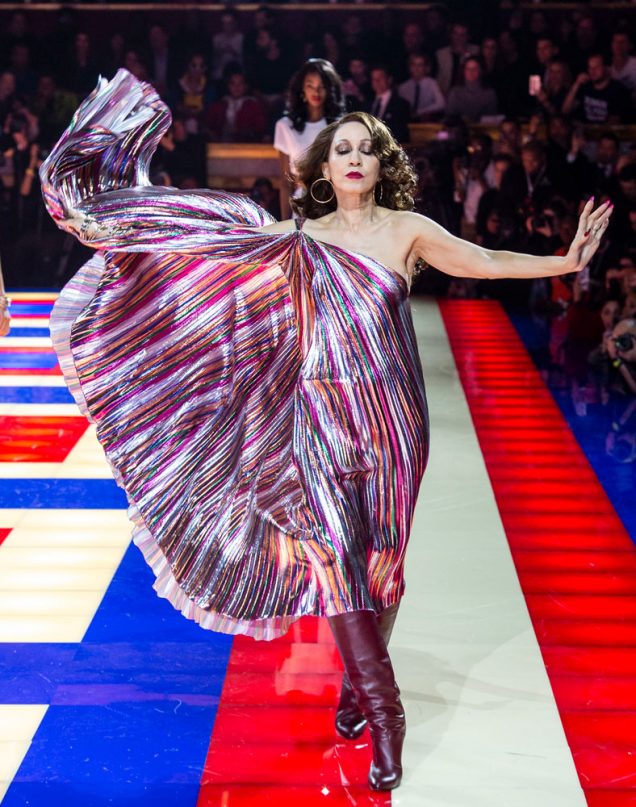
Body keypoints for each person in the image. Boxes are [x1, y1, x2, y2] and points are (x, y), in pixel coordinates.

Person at [38, 70, 612, 793]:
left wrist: (566, 260)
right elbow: (215, 248)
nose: (352, 158)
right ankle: (387, 711)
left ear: (380, 165)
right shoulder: (300, 239)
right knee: (335, 554)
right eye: (341, 147)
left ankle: (357, 686)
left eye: (365, 149)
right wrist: (123, 222)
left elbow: (486, 260)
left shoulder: (408, 231)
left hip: (394, 425)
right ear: (325, 165)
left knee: (382, 568)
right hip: (319, 422)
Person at [274, 58, 345, 219]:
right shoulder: (285, 126)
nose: (316, 91)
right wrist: (284, 227)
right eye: (310, 85)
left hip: (335, 204)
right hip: (302, 205)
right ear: (302, 89)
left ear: (330, 89)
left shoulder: (341, 126)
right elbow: (285, 182)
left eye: (322, 86)